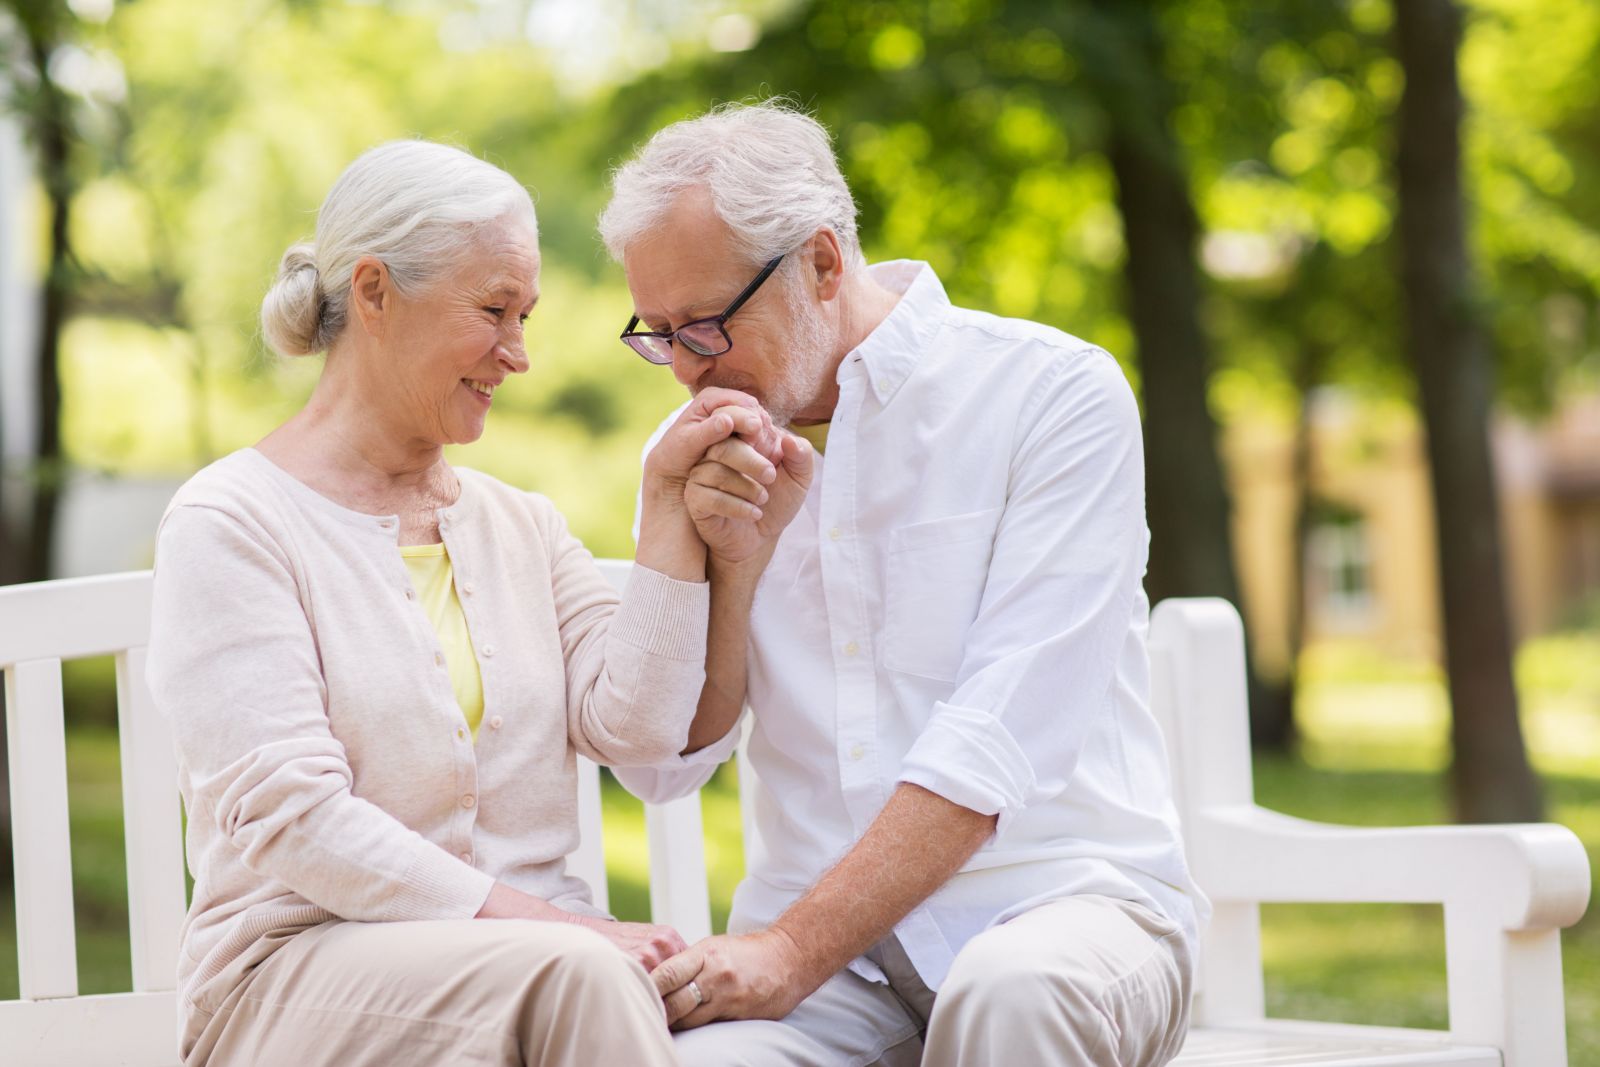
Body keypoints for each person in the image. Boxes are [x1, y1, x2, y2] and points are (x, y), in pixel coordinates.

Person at [145, 139, 811, 1067]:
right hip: (293, 976)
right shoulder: (230, 522)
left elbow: (645, 731)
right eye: (496, 310)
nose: (521, 355)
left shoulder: (520, 527)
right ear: (373, 292)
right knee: (590, 981)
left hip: (540, 970)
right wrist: (557, 930)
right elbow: (293, 816)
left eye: (527, 315)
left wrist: (669, 513)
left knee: (742, 1031)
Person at [599, 101, 1210, 1067]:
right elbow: (663, 768)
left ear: (823, 263)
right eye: (659, 332)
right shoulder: (693, 458)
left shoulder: (1052, 395)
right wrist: (719, 561)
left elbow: (998, 737)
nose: (682, 369)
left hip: (1063, 909)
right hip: (836, 976)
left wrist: (791, 948)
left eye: (708, 325)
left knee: (1009, 999)